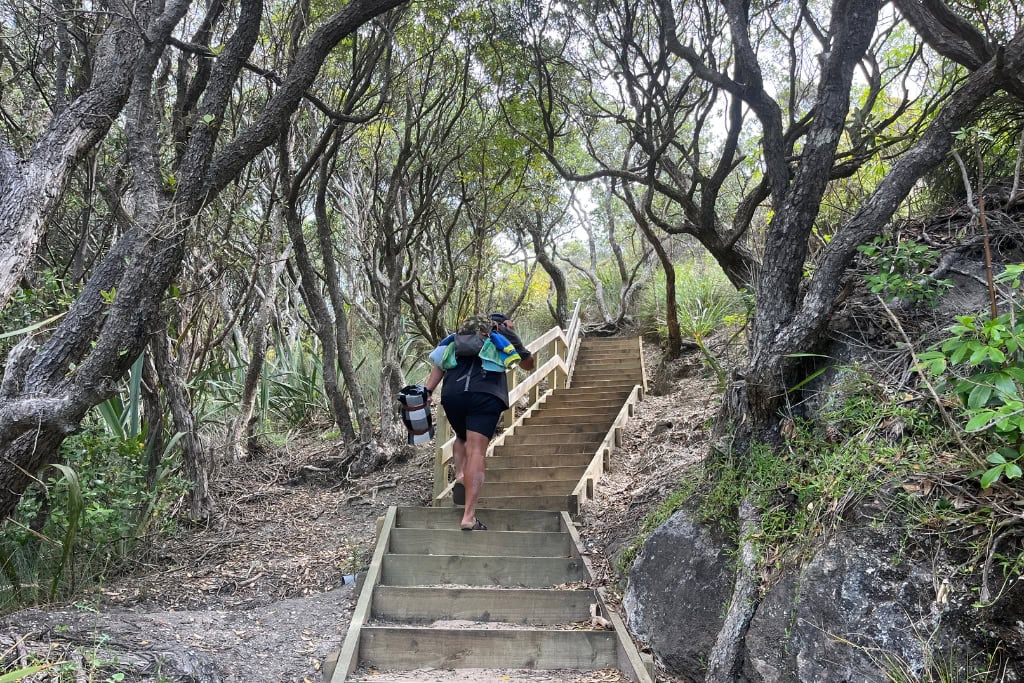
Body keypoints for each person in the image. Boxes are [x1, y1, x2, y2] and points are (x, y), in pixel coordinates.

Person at [424, 313, 535, 530]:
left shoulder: (457, 338)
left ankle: (461, 475)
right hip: (486, 392)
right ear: (501, 324)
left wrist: (427, 391)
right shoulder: (501, 335)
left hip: (453, 393)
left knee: (461, 436)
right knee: (476, 450)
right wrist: (515, 338)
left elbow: (439, 365)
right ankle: (468, 517)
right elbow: (528, 364)